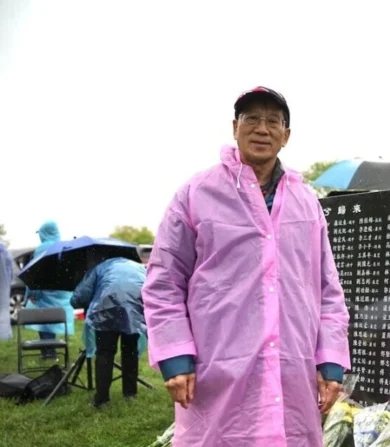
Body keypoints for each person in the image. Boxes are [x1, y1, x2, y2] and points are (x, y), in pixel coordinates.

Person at [143, 86, 351, 446]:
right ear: (234, 127)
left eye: (273, 121)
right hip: (217, 367)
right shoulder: (196, 193)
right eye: (251, 118)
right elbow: (164, 281)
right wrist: (175, 355)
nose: (262, 128)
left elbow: (327, 288)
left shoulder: (307, 203)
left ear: (286, 136)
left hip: (292, 369)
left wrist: (330, 361)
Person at [70, 256, 147, 408]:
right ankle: (130, 393)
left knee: (105, 353)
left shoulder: (101, 266)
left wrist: (76, 302)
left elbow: (80, 295)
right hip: (134, 309)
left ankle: (102, 399)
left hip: (106, 310)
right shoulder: (138, 267)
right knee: (130, 351)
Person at [24, 220, 75, 358]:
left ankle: (48, 352)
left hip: (44, 290)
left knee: (44, 319)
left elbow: (35, 272)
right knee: (54, 318)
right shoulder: (66, 247)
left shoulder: (42, 248)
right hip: (62, 291)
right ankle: (52, 349)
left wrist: (31, 292)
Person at [0, 242, 13, 340]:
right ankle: (3, 334)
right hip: (3, 286)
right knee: (3, 311)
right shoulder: (4, 249)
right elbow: (10, 270)